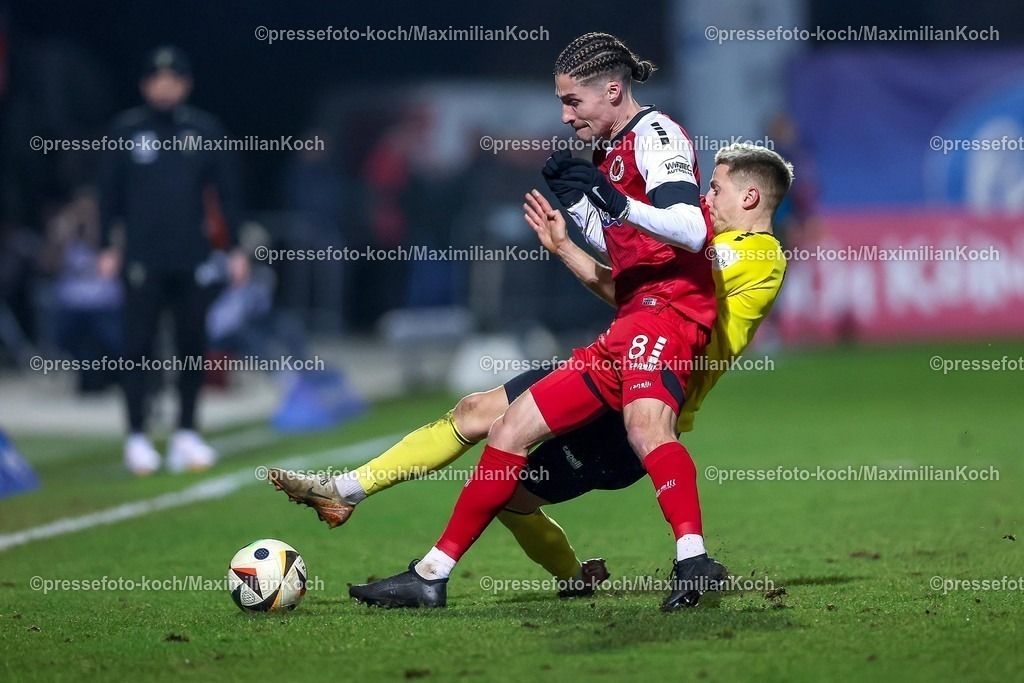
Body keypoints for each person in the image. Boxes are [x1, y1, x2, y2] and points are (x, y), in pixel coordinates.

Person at [269, 143, 792, 607]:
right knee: (478, 413)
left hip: (642, 393)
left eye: (715, 189)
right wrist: (567, 245)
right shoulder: (704, 249)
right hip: (619, 355)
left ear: (749, 198)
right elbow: (630, 291)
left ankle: (578, 574)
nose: (704, 198)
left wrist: (611, 203)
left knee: (509, 495)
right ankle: (345, 491)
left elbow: (661, 260)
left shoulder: (758, 255)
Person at [97, 46, 248, 475]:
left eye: (173, 79)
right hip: (141, 260)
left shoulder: (205, 130)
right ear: (145, 84)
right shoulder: (125, 131)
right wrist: (108, 248)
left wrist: (235, 249)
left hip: (192, 258)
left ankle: (186, 432)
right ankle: (137, 437)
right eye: (157, 79)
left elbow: (228, 195)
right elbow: (108, 197)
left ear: (186, 84)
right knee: (138, 349)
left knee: (191, 345)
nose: (165, 86)